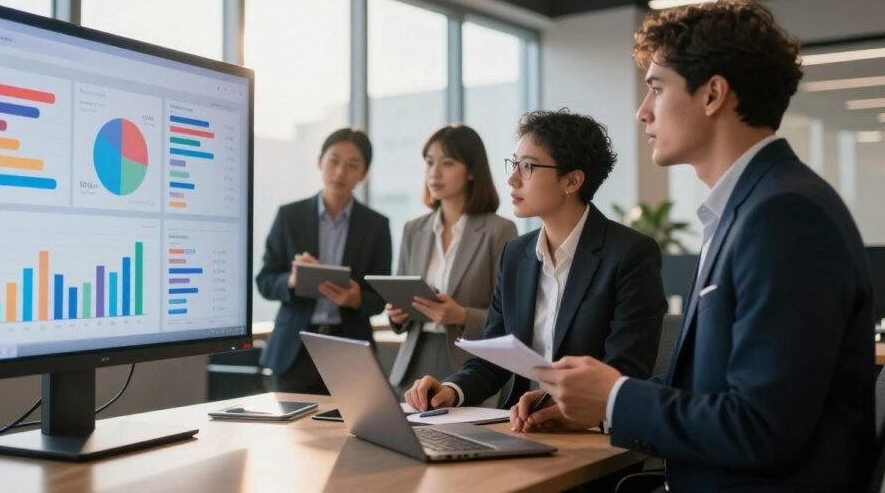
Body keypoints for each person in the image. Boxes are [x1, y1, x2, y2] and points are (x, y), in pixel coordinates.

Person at [532, 0, 875, 492]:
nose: (641, 111)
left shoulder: (784, 216)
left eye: (656, 88)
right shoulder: (748, 208)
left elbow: (761, 427)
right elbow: (709, 391)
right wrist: (590, 406)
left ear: (713, 93)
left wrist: (615, 398)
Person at [405, 110, 667, 419]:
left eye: (527, 166)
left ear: (572, 181)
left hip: (589, 436)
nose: (512, 178)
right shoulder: (516, 254)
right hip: (519, 426)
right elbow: (493, 356)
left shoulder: (629, 254)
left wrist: (558, 404)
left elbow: (625, 371)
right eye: (514, 164)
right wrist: (452, 390)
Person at [257, 127, 392, 394]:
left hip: (350, 347)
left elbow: (380, 295)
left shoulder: (376, 225)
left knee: (349, 430)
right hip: (295, 348)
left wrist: (356, 299)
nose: (340, 172)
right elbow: (264, 280)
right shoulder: (289, 216)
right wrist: (292, 280)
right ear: (320, 161)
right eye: (333, 161)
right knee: (291, 434)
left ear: (364, 174)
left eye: (352, 165)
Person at [386, 124, 518, 391]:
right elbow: (399, 293)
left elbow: (510, 316)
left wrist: (461, 315)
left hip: (468, 363)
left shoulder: (499, 230)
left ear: (471, 171)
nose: (434, 172)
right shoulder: (414, 229)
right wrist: (397, 315)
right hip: (413, 361)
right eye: (429, 162)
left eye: (447, 163)